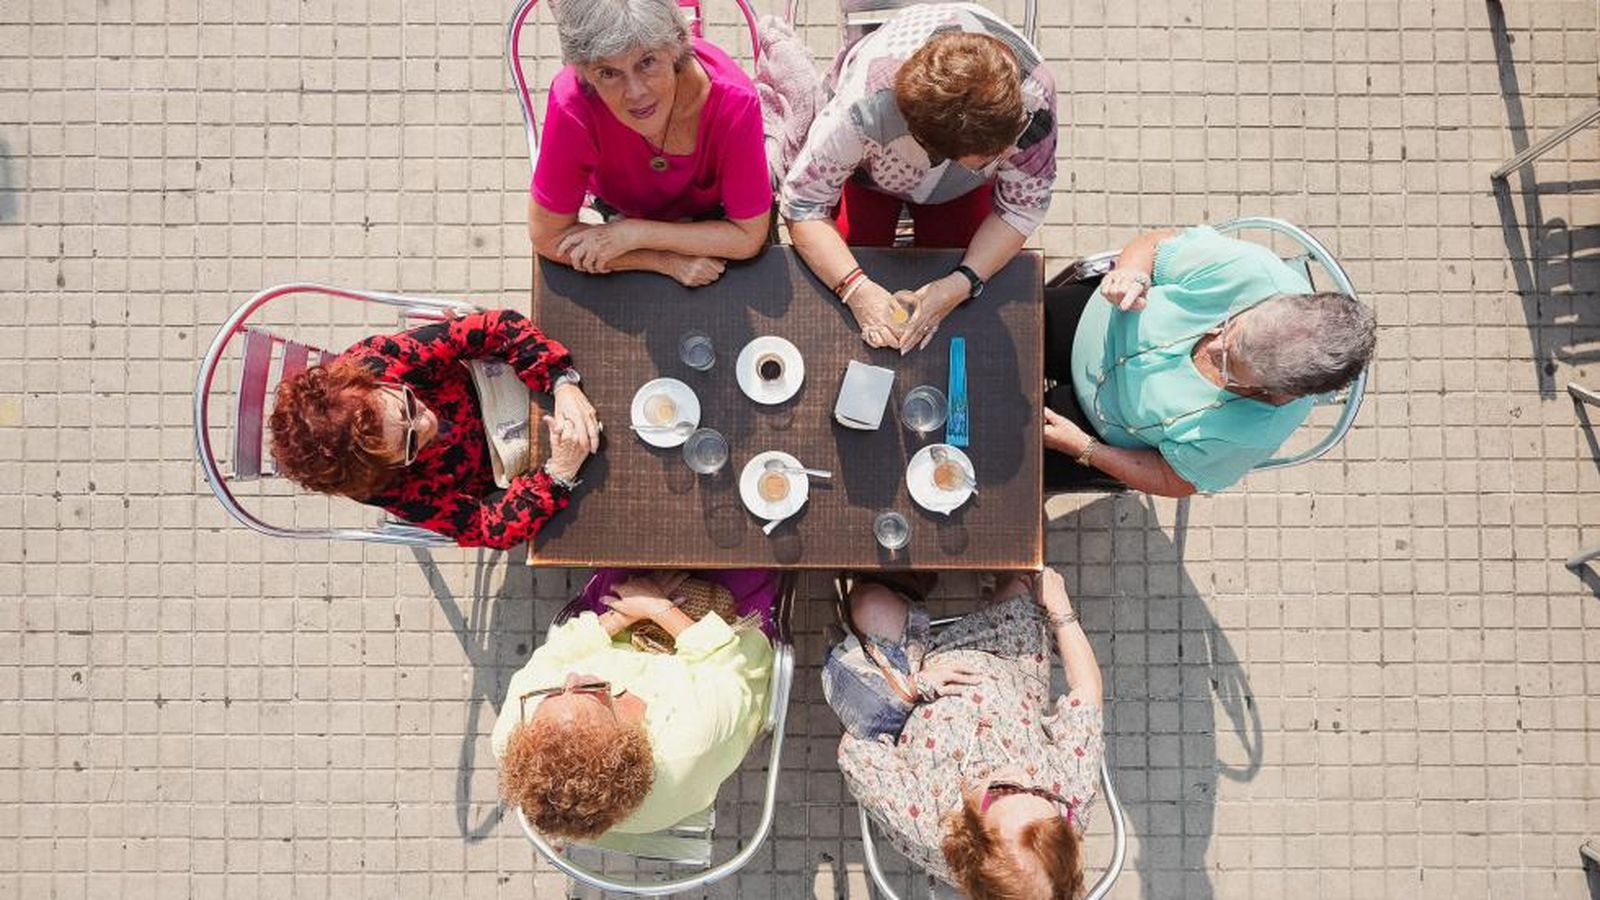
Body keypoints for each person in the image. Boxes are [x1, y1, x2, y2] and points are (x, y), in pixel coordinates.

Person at [780, 3, 1058, 353]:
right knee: (840, 292)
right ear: (922, 144)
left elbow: (1021, 207)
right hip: (868, 174)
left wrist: (960, 283)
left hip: (958, 193)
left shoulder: (1033, 100)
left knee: (961, 303)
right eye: (984, 161)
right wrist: (855, 288)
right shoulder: (864, 108)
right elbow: (805, 204)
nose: (1002, 162)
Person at [825, 569, 1103, 897]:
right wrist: (1061, 610)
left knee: (868, 603)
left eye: (1002, 790)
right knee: (1025, 569)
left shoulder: (924, 824)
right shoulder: (1067, 809)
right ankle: (989, 586)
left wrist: (915, 688)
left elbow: (857, 745)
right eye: (1041, 793)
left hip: (916, 674)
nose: (1022, 775)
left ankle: (906, 585)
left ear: (969, 835)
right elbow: (1087, 692)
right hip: (1008, 658)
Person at [1043, 225, 1377, 496]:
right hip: (1095, 320)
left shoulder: (1255, 433)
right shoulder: (1254, 272)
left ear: (1277, 393)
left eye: (1229, 366)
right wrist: (1132, 271)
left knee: (1001, 456)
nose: (1214, 348)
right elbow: (1156, 245)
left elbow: (1174, 478)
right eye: (1230, 329)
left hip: (1091, 427)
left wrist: (1085, 449)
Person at [267, 309, 599, 549]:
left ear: (373, 384)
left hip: (508, 386)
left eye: (407, 406)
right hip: (515, 466)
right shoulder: (376, 481)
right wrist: (558, 473)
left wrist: (560, 382)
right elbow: (486, 527)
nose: (426, 423)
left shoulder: (378, 361)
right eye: (411, 444)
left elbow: (498, 327)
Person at [494, 571, 775, 839]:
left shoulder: (520, 736)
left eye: (554, 693)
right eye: (592, 690)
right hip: (721, 641)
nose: (573, 676)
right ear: (626, 737)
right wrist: (657, 608)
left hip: (620, 626)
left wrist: (622, 615)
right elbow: (726, 663)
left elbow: (556, 655)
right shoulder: (689, 742)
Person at [528, 0, 773, 288]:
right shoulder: (572, 103)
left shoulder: (733, 102)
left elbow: (748, 236)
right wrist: (661, 260)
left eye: (646, 62)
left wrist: (634, 235)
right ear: (583, 73)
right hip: (619, 214)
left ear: (675, 45)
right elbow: (547, 235)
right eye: (608, 73)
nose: (635, 93)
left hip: (712, 217)